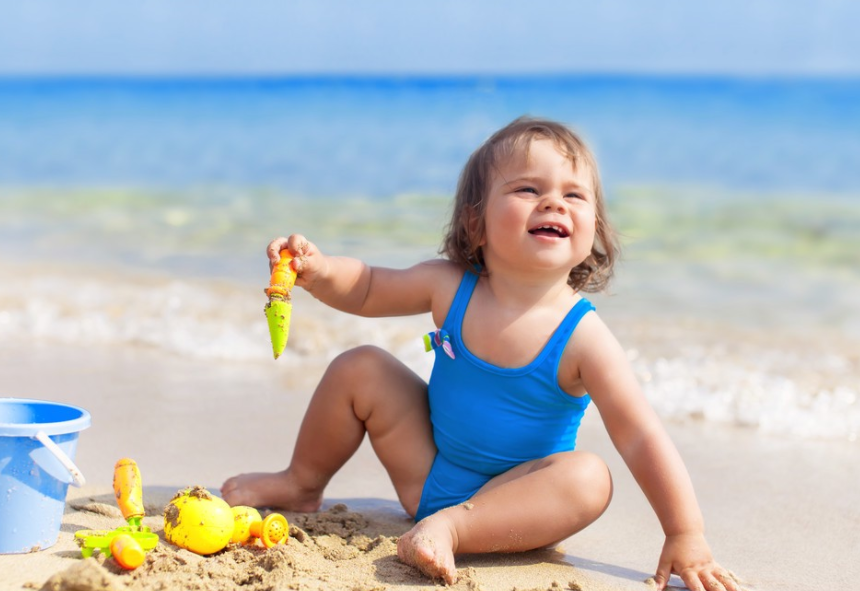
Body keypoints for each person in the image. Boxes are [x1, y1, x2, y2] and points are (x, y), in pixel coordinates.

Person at [222, 116, 739, 591]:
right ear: (476, 223)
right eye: (528, 189)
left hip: (514, 511)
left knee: (590, 478)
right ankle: (302, 481)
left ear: (594, 233)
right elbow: (370, 288)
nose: (554, 203)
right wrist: (321, 270)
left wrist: (685, 532)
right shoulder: (451, 286)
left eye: (575, 196)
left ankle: (451, 528)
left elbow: (640, 435)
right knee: (360, 365)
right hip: (427, 474)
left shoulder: (583, 337)